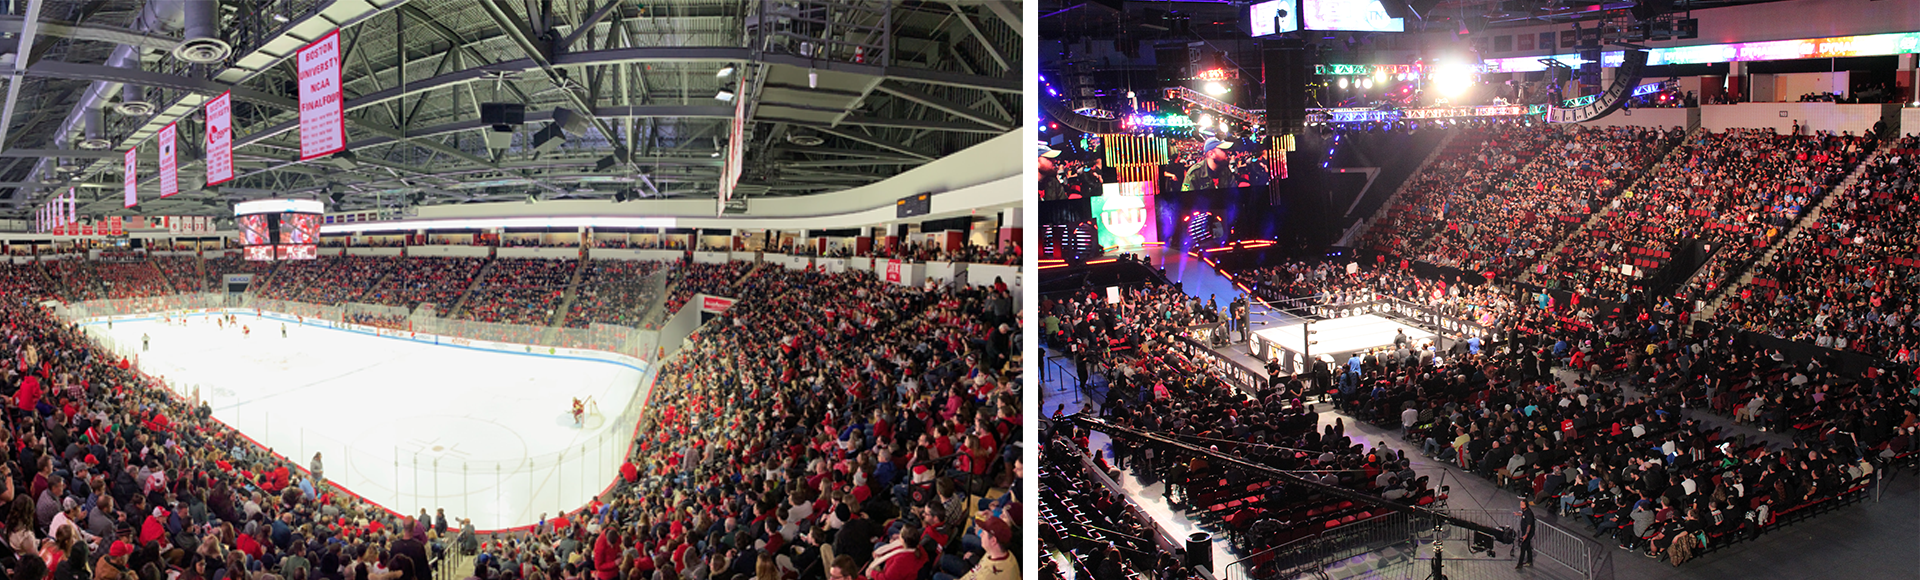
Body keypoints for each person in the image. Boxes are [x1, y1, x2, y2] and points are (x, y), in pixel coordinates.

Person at [1515, 499, 1536, 569]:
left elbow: (1529, 525)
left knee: (1523, 547)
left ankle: (1520, 564)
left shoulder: (1529, 513)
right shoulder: (1525, 511)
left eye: (1522, 505)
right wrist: (1518, 514)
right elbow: (1524, 515)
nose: (1521, 506)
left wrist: (1526, 535)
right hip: (1524, 532)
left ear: (1526, 505)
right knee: (1528, 547)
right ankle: (1529, 560)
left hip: (1528, 533)